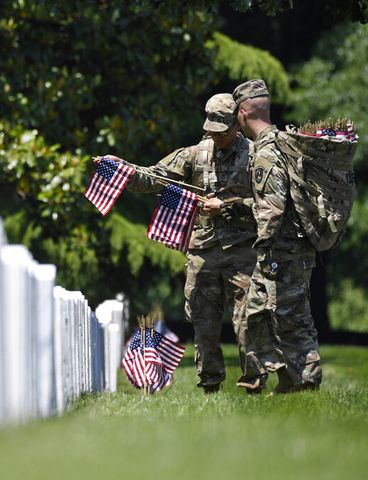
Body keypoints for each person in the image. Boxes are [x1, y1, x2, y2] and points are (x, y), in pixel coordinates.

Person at [95, 93, 257, 393]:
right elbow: (153, 178)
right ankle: (210, 382)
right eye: (211, 130)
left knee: (247, 320)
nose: (216, 136)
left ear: (238, 124)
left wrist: (227, 206)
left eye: (222, 131)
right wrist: (122, 168)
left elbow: (270, 203)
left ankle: (253, 380)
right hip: (202, 252)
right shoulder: (194, 155)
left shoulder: (257, 156)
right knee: (203, 322)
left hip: (243, 252)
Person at [232, 79, 322, 394]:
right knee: (262, 314)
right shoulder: (281, 142)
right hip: (291, 248)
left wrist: (261, 250)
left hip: (282, 251)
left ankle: (305, 381)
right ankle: (283, 378)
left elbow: (271, 207)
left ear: (242, 114)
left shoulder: (267, 152)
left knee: (287, 317)